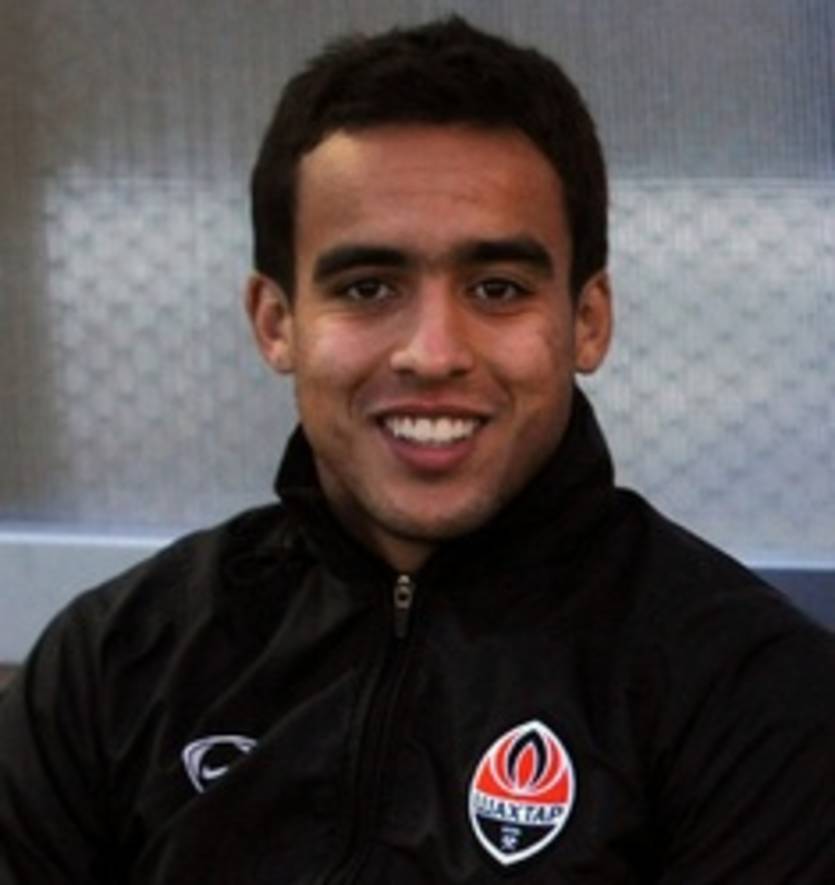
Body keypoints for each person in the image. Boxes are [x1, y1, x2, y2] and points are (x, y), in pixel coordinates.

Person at [1, 16, 833, 884]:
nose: (433, 353)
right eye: (368, 287)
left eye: (496, 288)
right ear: (275, 322)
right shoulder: (112, 664)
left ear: (587, 321)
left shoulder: (749, 693)